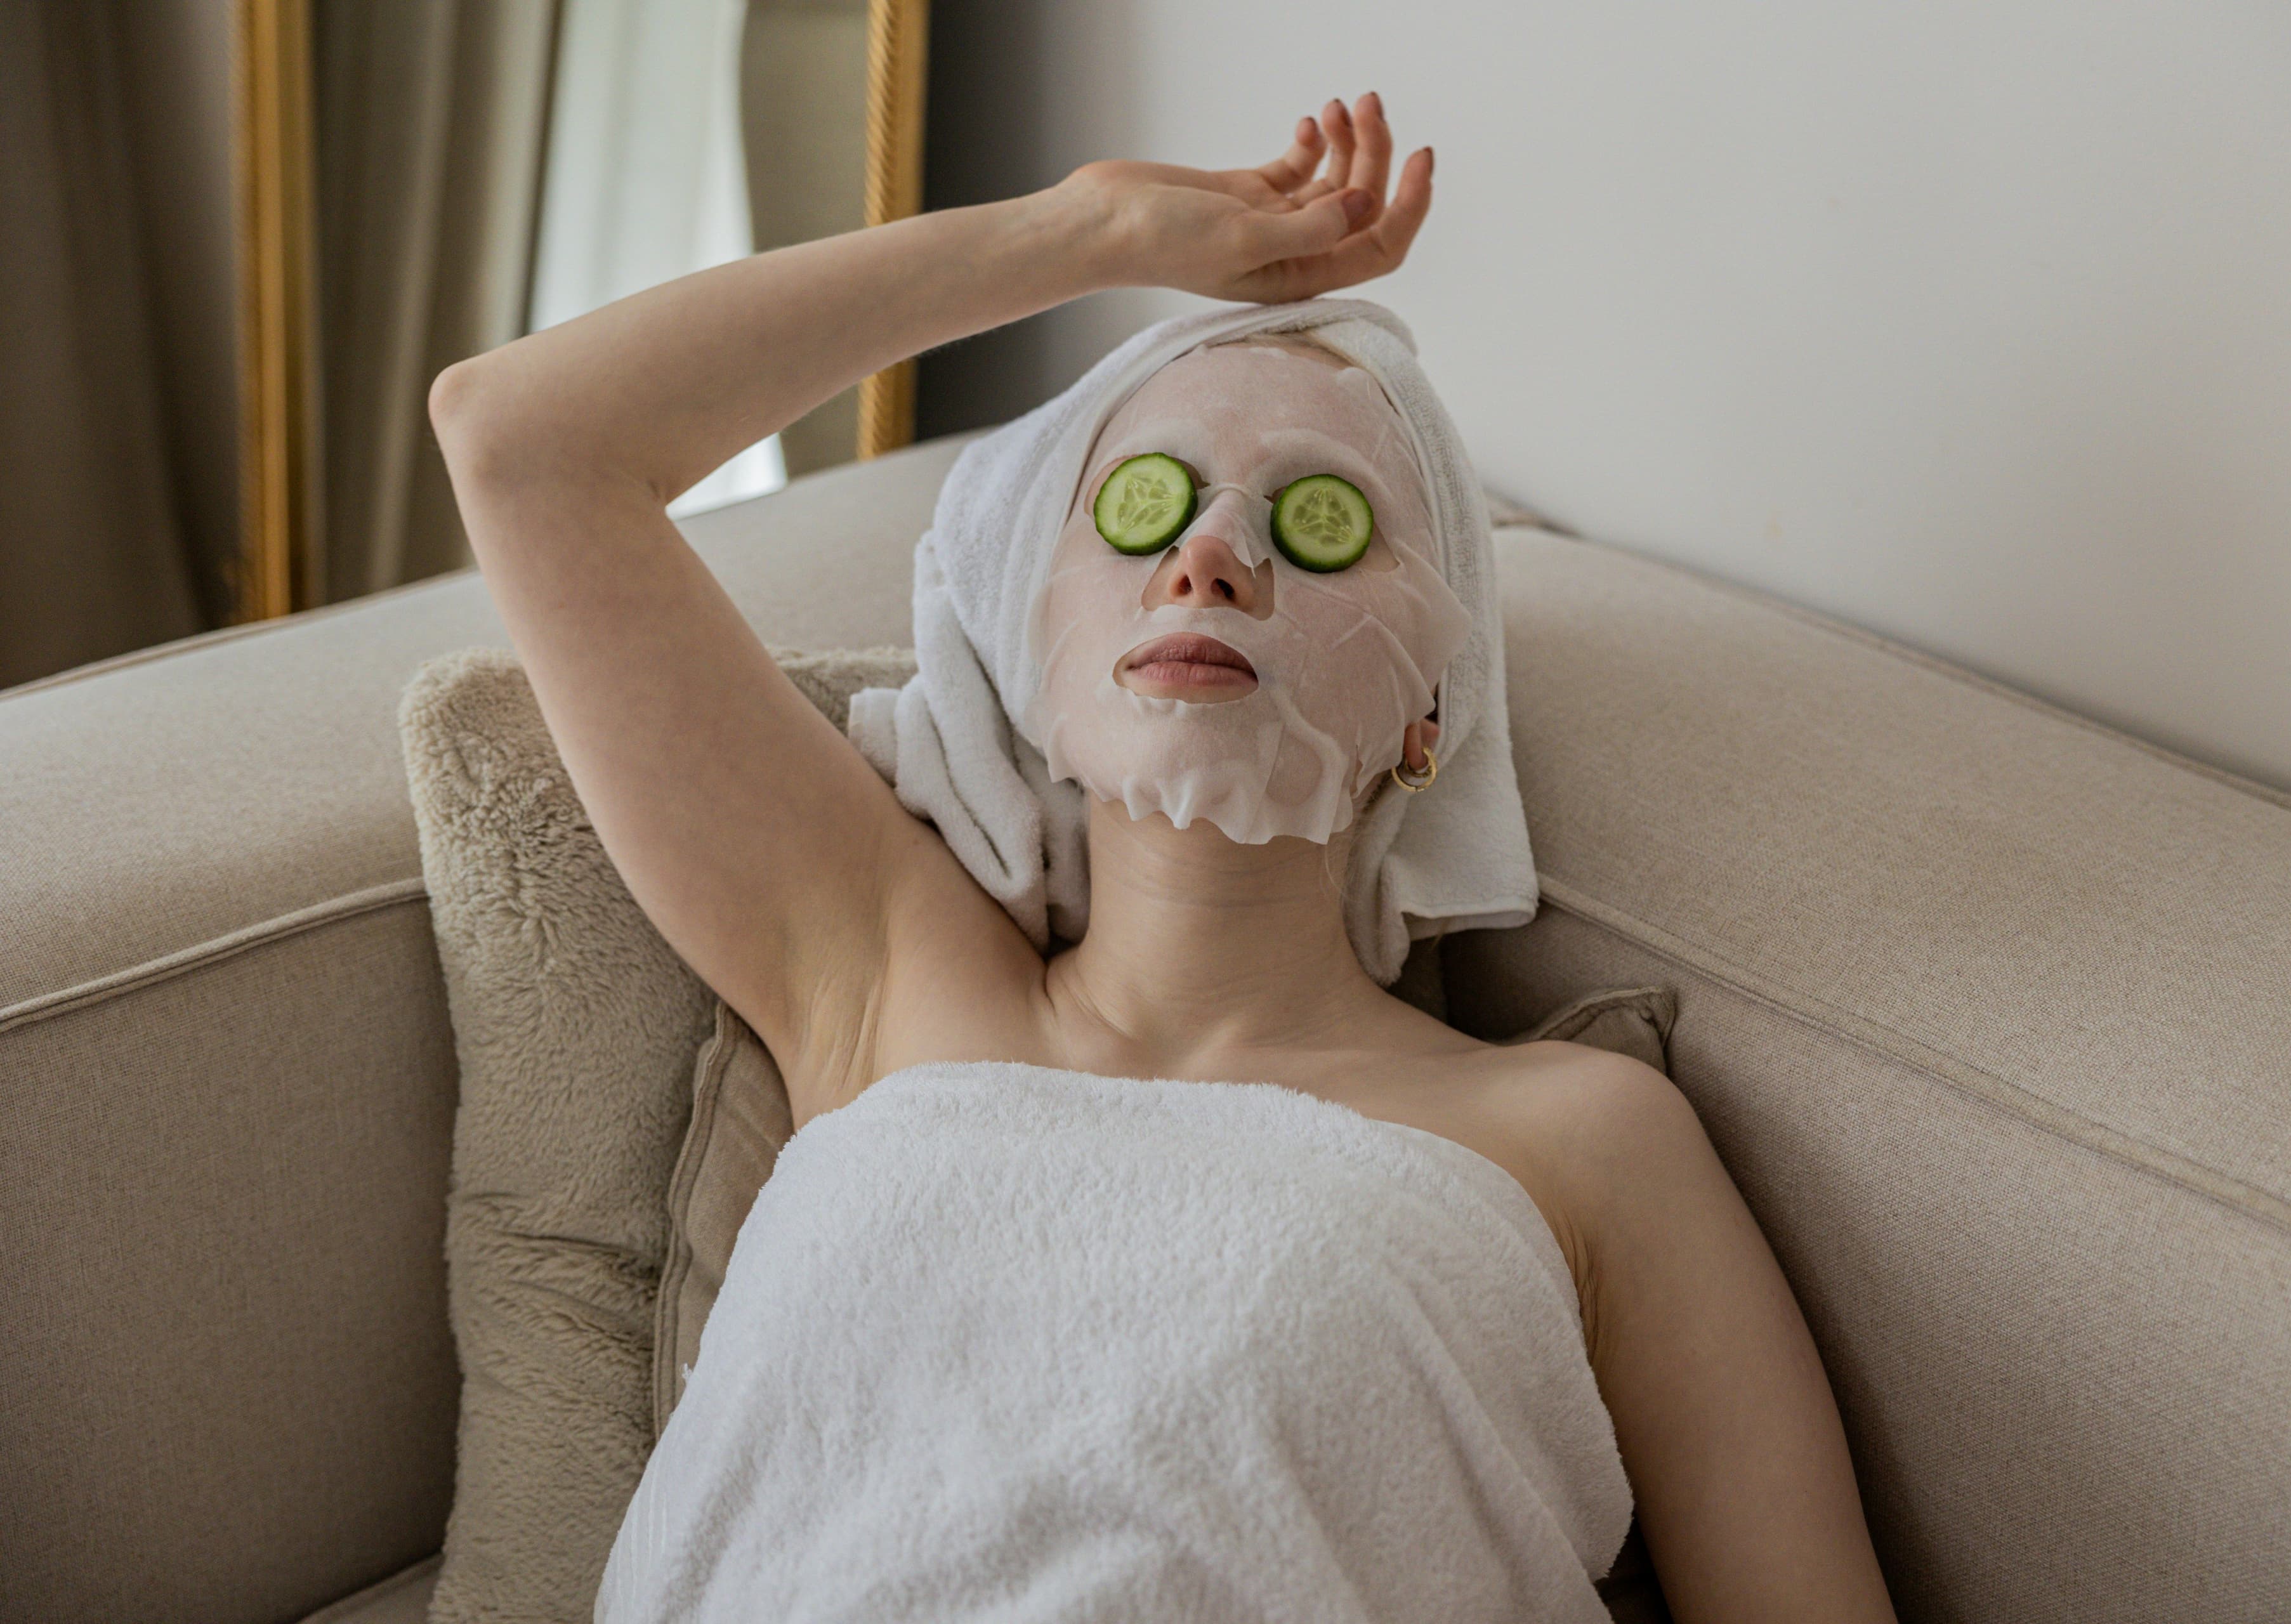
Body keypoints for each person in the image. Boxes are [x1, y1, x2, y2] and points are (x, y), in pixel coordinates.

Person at [430, 91, 1896, 1623]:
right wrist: (1089, 231)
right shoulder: (880, 965)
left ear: (1432, 715)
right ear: (1031, 653)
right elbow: (525, 438)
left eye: (1321, 519)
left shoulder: (1591, 1138)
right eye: (1146, 509)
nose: (1211, 554)